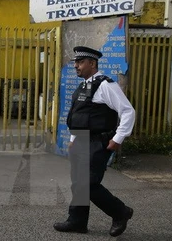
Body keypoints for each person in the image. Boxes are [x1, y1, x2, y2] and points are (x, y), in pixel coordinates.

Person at [54, 46, 135, 237]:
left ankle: (120, 212)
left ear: (92, 63)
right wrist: (74, 138)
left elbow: (127, 111)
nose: (76, 66)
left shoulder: (106, 85)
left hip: (98, 142)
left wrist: (118, 138)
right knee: (78, 184)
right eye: (75, 62)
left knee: (88, 184)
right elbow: (80, 116)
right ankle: (77, 221)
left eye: (80, 62)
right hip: (81, 142)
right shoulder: (84, 86)